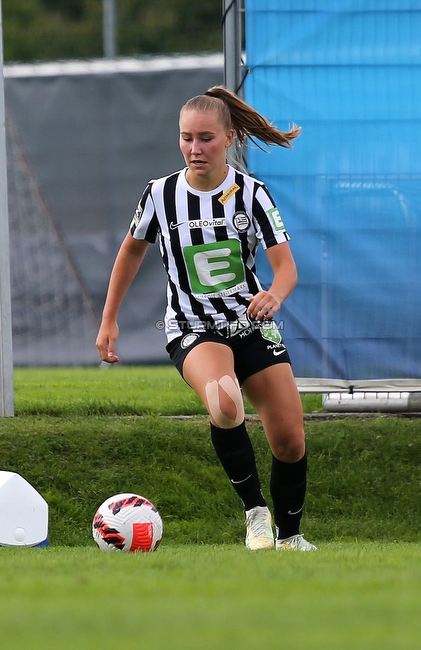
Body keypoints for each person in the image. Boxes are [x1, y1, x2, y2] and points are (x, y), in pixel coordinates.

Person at [96, 86, 315, 551]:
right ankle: (255, 513)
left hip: (251, 326)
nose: (195, 149)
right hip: (193, 330)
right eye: (186, 138)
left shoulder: (252, 194)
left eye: (206, 139)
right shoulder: (160, 194)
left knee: (290, 442)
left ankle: (290, 538)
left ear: (230, 138)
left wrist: (274, 295)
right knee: (224, 402)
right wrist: (109, 318)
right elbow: (131, 250)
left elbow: (287, 268)